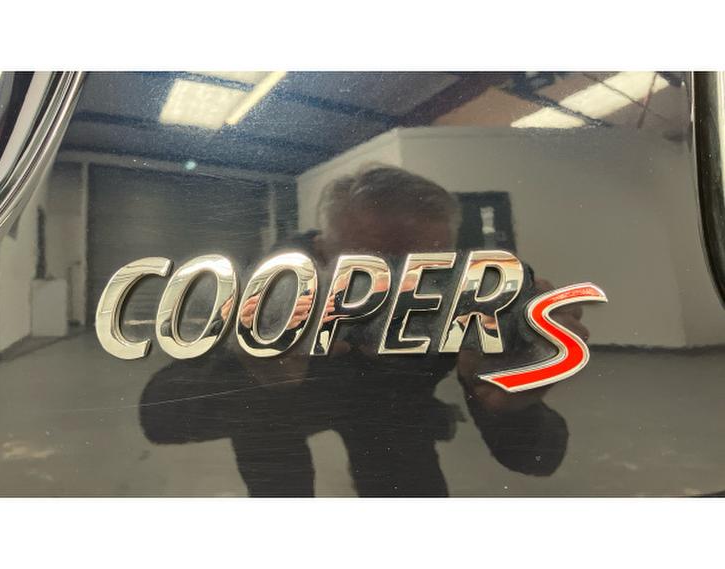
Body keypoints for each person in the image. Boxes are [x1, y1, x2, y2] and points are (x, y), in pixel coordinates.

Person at [140, 165, 581, 496]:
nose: (396, 294)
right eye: (369, 270)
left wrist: (508, 399)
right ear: (320, 253)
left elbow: (536, 458)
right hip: (286, 407)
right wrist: (252, 373)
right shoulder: (276, 292)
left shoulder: (459, 299)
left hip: (391, 405)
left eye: (423, 270)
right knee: (278, 479)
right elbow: (159, 416)